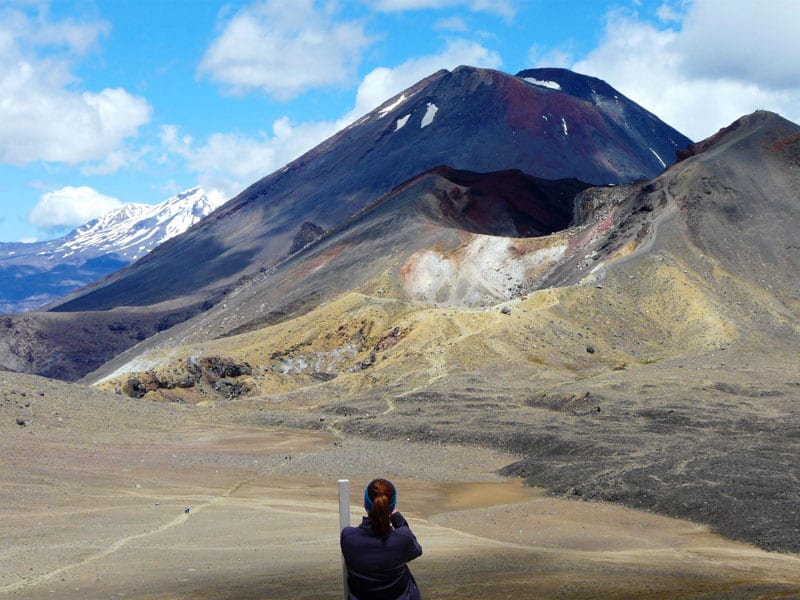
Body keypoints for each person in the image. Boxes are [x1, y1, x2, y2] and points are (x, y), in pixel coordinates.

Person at [340, 478, 423, 600]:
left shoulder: (348, 537)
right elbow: (415, 551)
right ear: (392, 506)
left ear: (365, 504)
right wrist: (397, 518)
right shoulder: (402, 538)